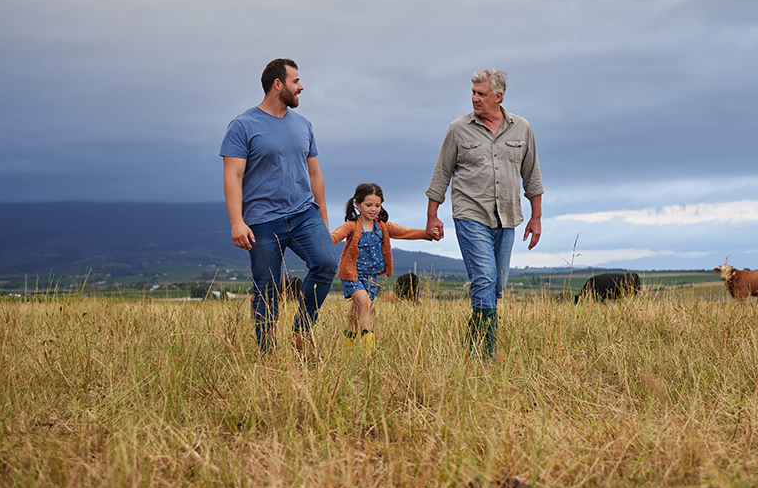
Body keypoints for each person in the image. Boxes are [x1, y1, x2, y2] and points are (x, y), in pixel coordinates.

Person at [425, 68, 544, 362]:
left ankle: (476, 338)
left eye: (481, 94)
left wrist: (536, 217)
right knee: (485, 277)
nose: (475, 99)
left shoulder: (522, 128)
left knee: (497, 283)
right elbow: (441, 174)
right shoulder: (457, 129)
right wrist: (433, 216)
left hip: (507, 217)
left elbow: (532, 177)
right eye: (473, 94)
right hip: (470, 214)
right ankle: (484, 353)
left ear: (498, 96)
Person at [220, 58, 337, 353]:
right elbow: (233, 175)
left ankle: (302, 329)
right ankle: (268, 355)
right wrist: (237, 221)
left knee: (325, 263)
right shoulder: (243, 125)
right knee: (266, 288)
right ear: (278, 85)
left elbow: (315, 173)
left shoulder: (303, 125)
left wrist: (322, 218)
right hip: (262, 220)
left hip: (302, 213)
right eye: (295, 81)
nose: (301, 87)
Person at [331, 183, 432, 353]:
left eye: (377, 205)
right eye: (368, 205)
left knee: (355, 314)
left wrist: (428, 234)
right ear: (358, 204)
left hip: (371, 278)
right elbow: (335, 236)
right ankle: (370, 353)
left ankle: (346, 353)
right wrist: (317, 240)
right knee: (368, 307)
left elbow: (405, 232)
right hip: (352, 275)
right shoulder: (352, 225)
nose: (373, 209)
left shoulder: (382, 226)